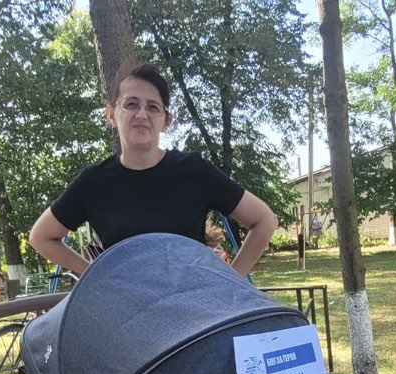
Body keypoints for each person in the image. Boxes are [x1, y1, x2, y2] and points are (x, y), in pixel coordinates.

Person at [29, 62, 277, 276]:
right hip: (129, 310)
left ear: (166, 121)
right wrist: (96, 276)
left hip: (193, 308)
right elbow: (41, 237)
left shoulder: (193, 170)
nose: (141, 115)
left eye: (153, 107)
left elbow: (264, 220)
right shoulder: (94, 181)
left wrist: (231, 281)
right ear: (111, 114)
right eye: (131, 104)